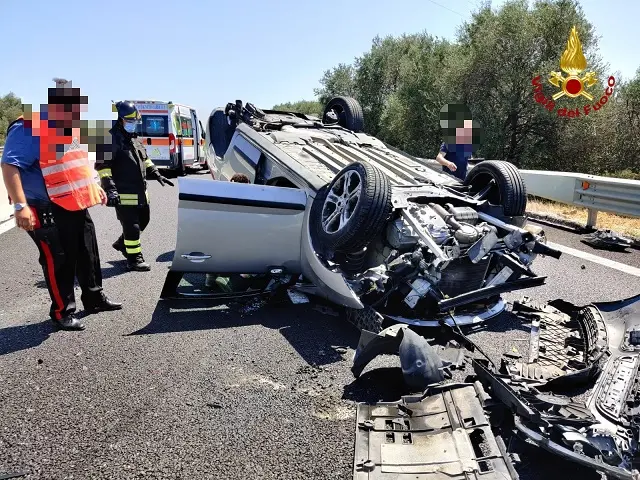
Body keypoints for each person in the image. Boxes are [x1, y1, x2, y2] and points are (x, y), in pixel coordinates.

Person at [0, 83, 122, 331]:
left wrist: (94, 186)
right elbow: (10, 166)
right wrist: (21, 206)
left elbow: (76, 164)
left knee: (88, 253)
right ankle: (62, 312)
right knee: (59, 259)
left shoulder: (67, 128)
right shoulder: (29, 127)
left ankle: (94, 298)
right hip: (46, 206)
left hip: (75, 202)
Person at [95, 101, 174, 272]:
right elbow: (103, 167)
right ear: (119, 119)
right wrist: (110, 189)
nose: (133, 124)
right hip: (123, 193)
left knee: (144, 220)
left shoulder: (134, 139)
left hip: (140, 192)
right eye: (129, 120)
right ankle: (134, 259)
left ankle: (122, 244)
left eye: (135, 121)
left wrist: (157, 173)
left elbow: (145, 160)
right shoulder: (109, 139)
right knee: (132, 227)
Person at [435, 104, 481, 181]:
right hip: (448, 180)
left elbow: (468, 160)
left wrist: (477, 163)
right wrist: (448, 164)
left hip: (462, 181)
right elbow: (439, 158)